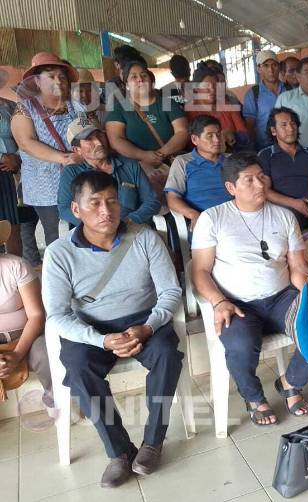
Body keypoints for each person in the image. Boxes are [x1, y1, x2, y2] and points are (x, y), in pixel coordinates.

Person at [43, 171, 183, 488]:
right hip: (91, 328)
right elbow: (58, 316)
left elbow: (170, 292)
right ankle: (119, 451)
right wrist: (102, 340)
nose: (106, 211)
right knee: (78, 368)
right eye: (94, 203)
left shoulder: (145, 237)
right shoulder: (59, 253)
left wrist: (147, 328)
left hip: (143, 320)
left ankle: (152, 442)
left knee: (166, 354)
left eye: (111, 201)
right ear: (76, 210)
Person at [191, 152, 308, 426]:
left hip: (282, 296)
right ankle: (254, 398)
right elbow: (199, 271)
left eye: (261, 177)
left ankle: (290, 383)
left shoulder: (284, 216)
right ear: (231, 188)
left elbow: (297, 267)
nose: (259, 185)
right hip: (237, 303)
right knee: (240, 344)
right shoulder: (213, 219)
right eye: (249, 180)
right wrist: (218, 301)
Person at [11, 53, 89, 248]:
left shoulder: (76, 105)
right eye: (51, 76)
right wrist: (64, 158)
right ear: (37, 81)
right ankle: (60, 274)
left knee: (84, 228)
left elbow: (89, 131)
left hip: (78, 178)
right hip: (45, 186)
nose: (58, 81)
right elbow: (26, 142)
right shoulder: (25, 108)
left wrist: (86, 151)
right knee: (58, 235)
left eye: (62, 76)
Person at [105, 59, 188, 195]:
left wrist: (160, 154)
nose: (140, 80)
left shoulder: (167, 103)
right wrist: (144, 155)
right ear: (126, 84)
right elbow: (116, 140)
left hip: (170, 164)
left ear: (150, 79)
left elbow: (182, 132)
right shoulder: (118, 109)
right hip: (136, 169)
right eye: (134, 77)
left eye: (144, 75)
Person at [58, 119, 159, 226]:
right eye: (89, 139)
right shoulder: (72, 173)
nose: (99, 142)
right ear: (77, 150)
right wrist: (96, 225)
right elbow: (64, 210)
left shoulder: (129, 165)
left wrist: (129, 221)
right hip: (95, 234)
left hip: (131, 228)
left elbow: (152, 201)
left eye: (100, 135)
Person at [0, 220, 53, 416]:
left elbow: (36, 315)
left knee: (45, 354)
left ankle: (57, 402)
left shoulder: (15, 266)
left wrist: (17, 353)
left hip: (26, 336)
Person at [258, 107, 308, 230]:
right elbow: (265, 191)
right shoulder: (265, 155)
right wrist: (295, 204)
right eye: (284, 125)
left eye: (293, 123)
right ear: (274, 131)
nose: (290, 129)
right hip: (284, 212)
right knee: (290, 220)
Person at [165, 115, 232, 230]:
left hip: (235, 218)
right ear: (195, 139)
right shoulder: (183, 162)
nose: (217, 140)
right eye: (210, 136)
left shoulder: (233, 160)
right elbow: (172, 198)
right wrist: (194, 215)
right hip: (205, 223)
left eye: (218, 134)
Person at [186, 65, 252, 153]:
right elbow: (193, 143)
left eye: (215, 86)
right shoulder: (191, 112)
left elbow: (244, 134)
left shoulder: (227, 105)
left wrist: (232, 134)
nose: (212, 90)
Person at [243, 50, 288, 152]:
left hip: (289, 145)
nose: (271, 70)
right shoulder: (253, 94)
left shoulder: (289, 90)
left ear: (279, 67)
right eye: (266, 66)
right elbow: (250, 126)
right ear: (259, 69)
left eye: (274, 65)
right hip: (264, 149)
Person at [0, 75, 23, 257]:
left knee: (11, 226)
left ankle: (15, 277)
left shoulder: (9, 107)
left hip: (7, 173)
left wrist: (16, 158)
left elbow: (24, 138)